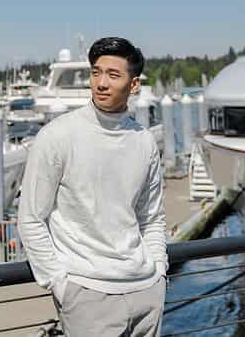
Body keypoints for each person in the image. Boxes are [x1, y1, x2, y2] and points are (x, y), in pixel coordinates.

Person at [18, 37, 167, 337]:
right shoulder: (57, 136)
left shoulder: (144, 141)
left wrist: (159, 271)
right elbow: (31, 218)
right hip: (87, 296)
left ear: (134, 85)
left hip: (146, 290)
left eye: (113, 75)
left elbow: (152, 217)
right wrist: (61, 284)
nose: (101, 83)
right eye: (96, 72)